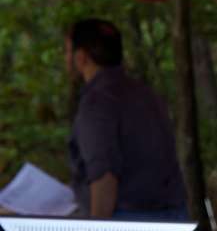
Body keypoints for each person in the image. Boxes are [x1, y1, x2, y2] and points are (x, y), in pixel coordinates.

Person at [66, 18, 187, 220]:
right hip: (171, 218)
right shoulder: (146, 93)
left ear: (81, 58)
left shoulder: (97, 102)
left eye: (68, 51)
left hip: (128, 226)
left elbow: (104, 176)